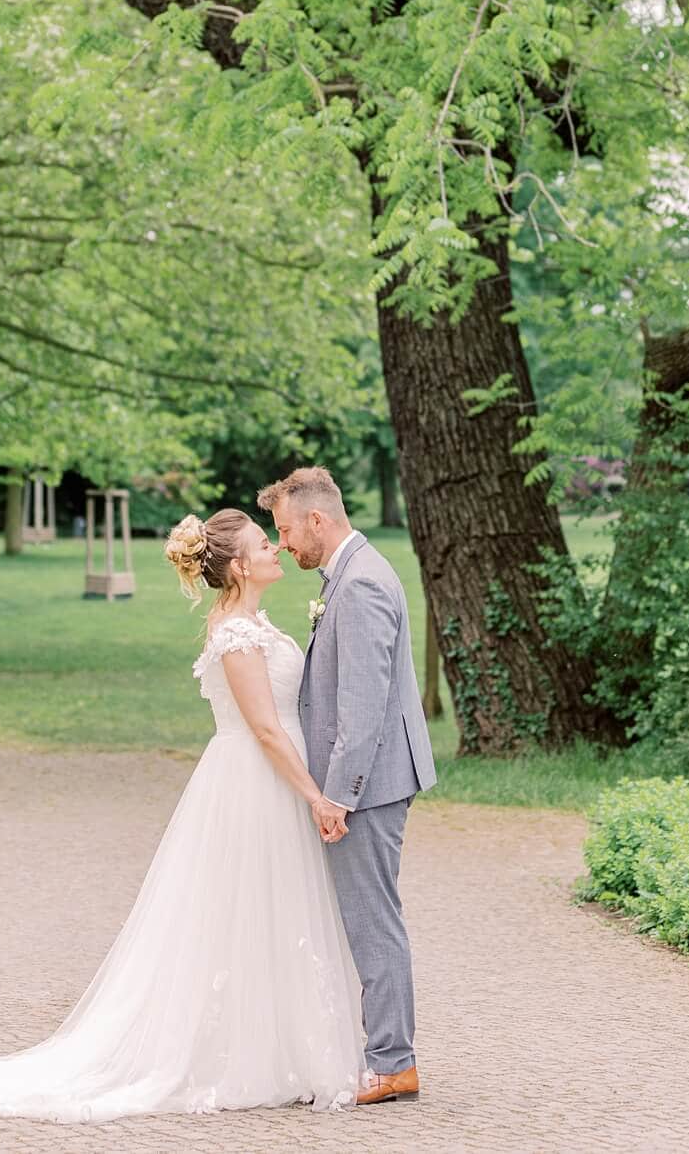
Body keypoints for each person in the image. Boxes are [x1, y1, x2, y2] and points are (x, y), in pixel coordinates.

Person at [0, 509, 362, 1125]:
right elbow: (263, 728)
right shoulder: (235, 632)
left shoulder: (251, 622)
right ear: (238, 566)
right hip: (257, 784)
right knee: (247, 911)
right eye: (266, 544)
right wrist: (316, 795)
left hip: (272, 781)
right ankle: (246, 1054)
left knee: (267, 912)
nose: (276, 550)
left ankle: (275, 1046)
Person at [258, 465, 437, 1107]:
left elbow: (362, 710)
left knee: (373, 921)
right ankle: (390, 1056)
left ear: (317, 520)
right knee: (370, 917)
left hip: (372, 784)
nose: (282, 545)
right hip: (377, 777)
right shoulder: (353, 574)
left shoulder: (359, 585)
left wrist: (338, 796)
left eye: (284, 531)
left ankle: (393, 1063)